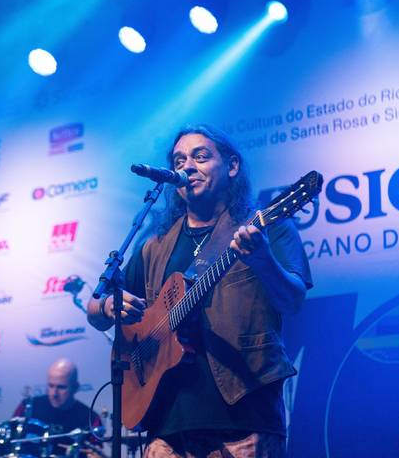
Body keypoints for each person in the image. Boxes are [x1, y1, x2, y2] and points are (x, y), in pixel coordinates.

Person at [87, 124, 312, 458]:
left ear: (232, 166)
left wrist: (263, 259)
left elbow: (292, 300)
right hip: (166, 428)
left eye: (201, 157)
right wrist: (108, 307)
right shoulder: (155, 246)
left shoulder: (267, 226)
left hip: (244, 422)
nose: (187, 166)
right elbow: (95, 309)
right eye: (179, 160)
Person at [13, 358, 102, 446]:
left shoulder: (91, 419)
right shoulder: (28, 406)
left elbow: (95, 450)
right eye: (51, 386)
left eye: (61, 387)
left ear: (75, 387)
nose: (54, 393)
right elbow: (10, 438)